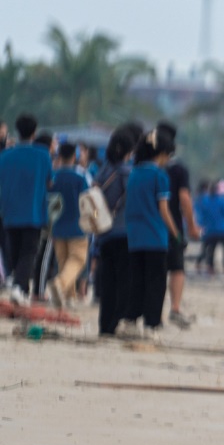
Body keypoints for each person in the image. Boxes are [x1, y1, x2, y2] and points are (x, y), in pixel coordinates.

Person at [125, 130, 179, 337]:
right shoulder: (159, 176)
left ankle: (131, 320)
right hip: (155, 236)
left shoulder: (134, 173)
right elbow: (163, 210)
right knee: (156, 283)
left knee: (137, 281)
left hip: (135, 236)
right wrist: (176, 234)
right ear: (162, 153)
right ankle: (151, 324)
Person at [0, 113, 54, 304]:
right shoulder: (43, 154)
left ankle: (20, 288)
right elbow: (50, 183)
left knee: (14, 253)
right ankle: (20, 288)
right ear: (34, 131)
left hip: (9, 214)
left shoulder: (5, 156)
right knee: (28, 254)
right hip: (33, 214)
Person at [92, 130, 135, 337]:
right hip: (124, 232)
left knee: (107, 281)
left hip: (104, 233)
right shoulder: (128, 172)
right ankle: (117, 321)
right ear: (129, 150)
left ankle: (104, 325)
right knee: (124, 281)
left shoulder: (103, 171)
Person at [157, 122, 200, 329]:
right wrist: (191, 226)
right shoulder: (178, 169)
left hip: (150, 225)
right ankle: (174, 308)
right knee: (176, 268)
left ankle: (152, 310)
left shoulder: (147, 166)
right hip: (172, 226)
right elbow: (184, 198)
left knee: (155, 269)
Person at [49, 143, 91, 309]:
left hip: (57, 226)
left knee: (63, 262)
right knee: (77, 259)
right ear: (75, 157)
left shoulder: (53, 177)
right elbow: (87, 202)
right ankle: (60, 285)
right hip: (77, 226)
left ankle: (69, 298)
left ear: (59, 156)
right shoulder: (80, 178)